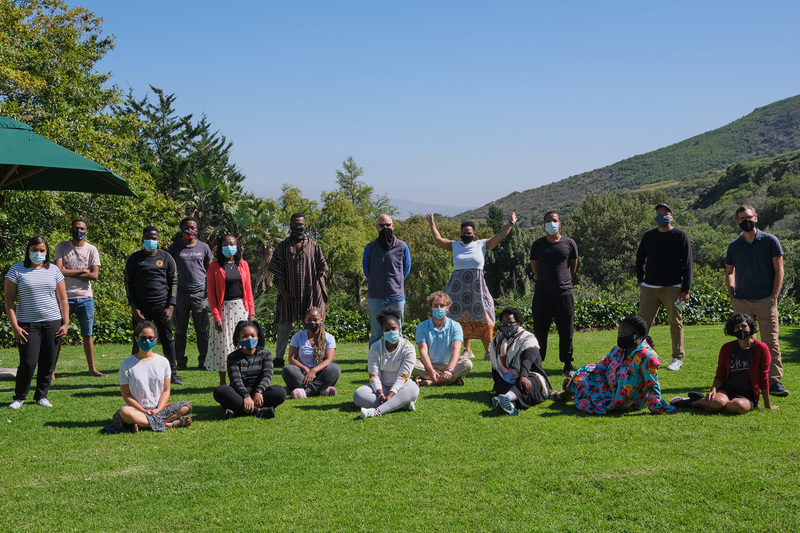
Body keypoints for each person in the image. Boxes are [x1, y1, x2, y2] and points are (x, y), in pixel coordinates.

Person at [426, 211, 516, 359]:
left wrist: (510, 223)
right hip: (457, 288)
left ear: (474, 233)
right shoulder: (455, 246)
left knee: (484, 315)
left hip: (477, 287)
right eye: (463, 232)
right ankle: (467, 350)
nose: (466, 235)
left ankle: (488, 351)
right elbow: (438, 238)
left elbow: (500, 237)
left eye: (468, 232)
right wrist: (432, 223)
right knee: (460, 317)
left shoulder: (482, 244)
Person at [552, 316, 674, 415]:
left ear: (635, 335)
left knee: (584, 389)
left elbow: (652, 384)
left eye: (623, 333)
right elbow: (601, 366)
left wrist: (658, 407)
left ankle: (562, 396)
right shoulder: (619, 349)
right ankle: (564, 395)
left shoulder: (648, 357)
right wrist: (576, 374)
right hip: (609, 387)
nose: (620, 337)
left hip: (626, 401)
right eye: (619, 333)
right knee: (580, 378)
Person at [724, 204, 787, 397]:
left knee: (770, 341)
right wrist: (732, 295)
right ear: (737, 222)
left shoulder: (770, 241)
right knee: (743, 341)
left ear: (756, 218)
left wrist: (774, 297)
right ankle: (745, 377)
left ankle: (773, 380)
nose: (746, 221)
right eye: (742, 219)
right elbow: (729, 272)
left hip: (765, 301)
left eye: (749, 217)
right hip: (742, 301)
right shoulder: (734, 246)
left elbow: (779, 270)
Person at [5, 236, 69, 409]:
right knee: (28, 362)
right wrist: (15, 326)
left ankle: (42, 395)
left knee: (48, 361)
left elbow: (63, 299)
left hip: (52, 322)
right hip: (26, 323)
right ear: (28, 250)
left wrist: (65, 323)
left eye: (42, 250)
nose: (38, 253)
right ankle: (19, 397)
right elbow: (9, 300)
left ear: (47, 252)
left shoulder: (54, 270)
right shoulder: (16, 270)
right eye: (35, 250)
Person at [670, 314, 777, 414]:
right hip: (727, 389)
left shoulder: (761, 348)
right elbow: (720, 373)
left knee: (736, 405)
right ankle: (692, 403)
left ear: (750, 328)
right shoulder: (727, 348)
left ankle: (709, 403)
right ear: (732, 330)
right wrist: (713, 390)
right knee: (719, 402)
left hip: (747, 394)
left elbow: (764, 376)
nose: (740, 329)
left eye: (744, 326)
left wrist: (768, 405)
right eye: (737, 327)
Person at [103, 321, 192, 433]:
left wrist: (158, 409)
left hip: (159, 409)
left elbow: (166, 390)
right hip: (135, 410)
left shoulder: (163, 362)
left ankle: (142, 423)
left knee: (186, 406)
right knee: (124, 411)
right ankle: (170, 424)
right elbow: (126, 395)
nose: (147, 341)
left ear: (155, 339)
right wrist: (143, 410)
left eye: (150, 338)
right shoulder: (126, 364)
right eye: (143, 338)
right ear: (136, 339)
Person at [636, 203, 693, 372]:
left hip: (673, 287)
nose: (662, 216)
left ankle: (677, 358)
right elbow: (640, 259)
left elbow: (688, 263)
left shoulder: (680, 235)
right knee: (642, 324)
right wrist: (641, 279)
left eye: (665, 213)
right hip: (649, 287)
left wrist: (686, 289)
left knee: (675, 323)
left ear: (671, 217)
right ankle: (640, 356)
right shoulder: (648, 236)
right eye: (659, 213)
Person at [267, 212, 328, 368]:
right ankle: (279, 358)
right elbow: (277, 272)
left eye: (301, 224)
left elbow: (322, 269)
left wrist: (316, 295)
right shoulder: (282, 246)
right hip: (288, 293)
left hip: (310, 294)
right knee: (283, 325)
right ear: (290, 225)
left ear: (305, 225)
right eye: (295, 224)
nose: (298, 227)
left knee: (313, 326)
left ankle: (315, 357)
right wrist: (283, 292)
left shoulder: (314, 246)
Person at [124, 226, 181, 384]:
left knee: (167, 340)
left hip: (163, 308)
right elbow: (129, 284)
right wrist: (133, 307)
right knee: (139, 340)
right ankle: (133, 374)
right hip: (141, 309)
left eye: (154, 238)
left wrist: (171, 306)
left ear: (158, 240)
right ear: (143, 240)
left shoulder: (167, 258)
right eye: (148, 238)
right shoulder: (134, 258)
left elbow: (174, 282)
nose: (151, 241)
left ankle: (173, 374)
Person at [54, 218, 106, 377]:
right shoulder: (62, 247)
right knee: (57, 334)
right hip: (64, 297)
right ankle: (51, 371)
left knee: (87, 335)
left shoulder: (92, 249)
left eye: (82, 229)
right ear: (71, 230)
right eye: (76, 228)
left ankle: (92, 369)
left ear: (86, 231)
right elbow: (58, 271)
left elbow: (95, 275)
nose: (79, 231)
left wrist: (70, 272)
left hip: (86, 298)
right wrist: (83, 270)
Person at [529, 210, 579, 376]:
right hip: (542, 294)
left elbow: (573, 266)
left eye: (555, 220)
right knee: (539, 331)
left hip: (564, 294)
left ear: (560, 223)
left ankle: (567, 363)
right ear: (544, 225)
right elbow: (535, 269)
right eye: (549, 221)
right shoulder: (537, 245)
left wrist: (563, 281)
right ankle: (537, 363)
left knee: (566, 330)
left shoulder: (569, 243)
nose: (552, 223)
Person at [213, 319, 287, 419]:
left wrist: (259, 391)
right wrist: (246, 396)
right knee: (220, 390)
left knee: (280, 392)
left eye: (252, 336)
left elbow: (267, 376)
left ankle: (235, 411)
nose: (249, 339)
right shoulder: (232, 357)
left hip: (259, 394)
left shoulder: (266, 354)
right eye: (245, 336)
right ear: (238, 339)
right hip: (239, 393)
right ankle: (259, 411)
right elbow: (235, 380)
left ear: (257, 337)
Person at [207, 234, 255, 386]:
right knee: (223, 345)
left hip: (241, 308)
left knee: (241, 344)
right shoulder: (214, 266)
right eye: (226, 244)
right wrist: (216, 317)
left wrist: (251, 312)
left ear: (237, 246)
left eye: (232, 244)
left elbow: (248, 290)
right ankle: (223, 382)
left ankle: (240, 379)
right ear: (221, 247)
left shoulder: (243, 264)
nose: (229, 247)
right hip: (223, 310)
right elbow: (211, 294)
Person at [353, 307, 419, 418]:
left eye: (394, 328)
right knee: (358, 395)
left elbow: (404, 375)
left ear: (399, 329)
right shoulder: (375, 348)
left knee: (413, 389)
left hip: (402, 387)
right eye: (387, 329)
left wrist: (392, 394)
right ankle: (401, 404)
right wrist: (380, 395)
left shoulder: (408, 348)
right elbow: (374, 375)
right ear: (382, 331)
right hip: (381, 388)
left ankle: (376, 412)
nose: (391, 332)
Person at [487, 307, 552, 416]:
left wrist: (523, 376)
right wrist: (496, 383)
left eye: (511, 322)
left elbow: (527, 359)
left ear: (518, 323)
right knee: (504, 385)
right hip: (508, 377)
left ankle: (506, 398)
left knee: (526, 385)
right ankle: (510, 404)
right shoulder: (497, 341)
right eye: (504, 323)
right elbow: (495, 364)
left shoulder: (528, 338)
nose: (507, 325)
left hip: (530, 375)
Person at [168, 217, 213, 370]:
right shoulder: (174, 248)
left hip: (200, 294)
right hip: (180, 294)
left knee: (201, 330)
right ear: (182, 229)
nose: (190, 231)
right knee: (180, 331)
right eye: (187, 228)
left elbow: (211, 270)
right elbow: (169, 271)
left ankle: (204, 361)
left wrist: (209, 288)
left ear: (197, 230)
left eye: (192, 228)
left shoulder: (204, 247)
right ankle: (180, 361)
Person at [363, 214, 411, 347]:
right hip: (376, 297)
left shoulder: (402, 247)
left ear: (393, 226)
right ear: (377, 227)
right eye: (382, 225)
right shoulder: (370, 247)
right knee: (376, 333)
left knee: (397, 333)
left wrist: (396, 282)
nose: (385, 228)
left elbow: (406, 270)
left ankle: (397, 361)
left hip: (396, 297)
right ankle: (374, 363)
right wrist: (376, 281)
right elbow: (367, 270)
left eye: (388, 225)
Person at [412, 291, 472, 386]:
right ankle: (450, 379)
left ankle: (430, 381)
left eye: (442, 305)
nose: (438, 308)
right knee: (410, 363)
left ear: (447, 308)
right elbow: (423, 351)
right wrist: (431, 370)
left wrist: (449, 370)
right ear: (431, 307)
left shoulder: (456, 326)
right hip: (427, 365)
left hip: (448, 365)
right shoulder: (422, 326)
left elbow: (456, 351)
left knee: (467, 364)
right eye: (435, 305)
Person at [282, 307, 341, 398]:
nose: (312, 322)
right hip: (303, 376)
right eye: (309, 320)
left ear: (321, 320)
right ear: (305, 320)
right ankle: (322, 389)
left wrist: (314, 371)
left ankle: (306, 392)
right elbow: (291, 359)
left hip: (321, 375)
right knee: (288, 370)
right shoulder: (297, 336)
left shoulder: (328, 338)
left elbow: (329, 359)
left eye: (315, 320)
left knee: (335, 368)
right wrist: (306, 370)